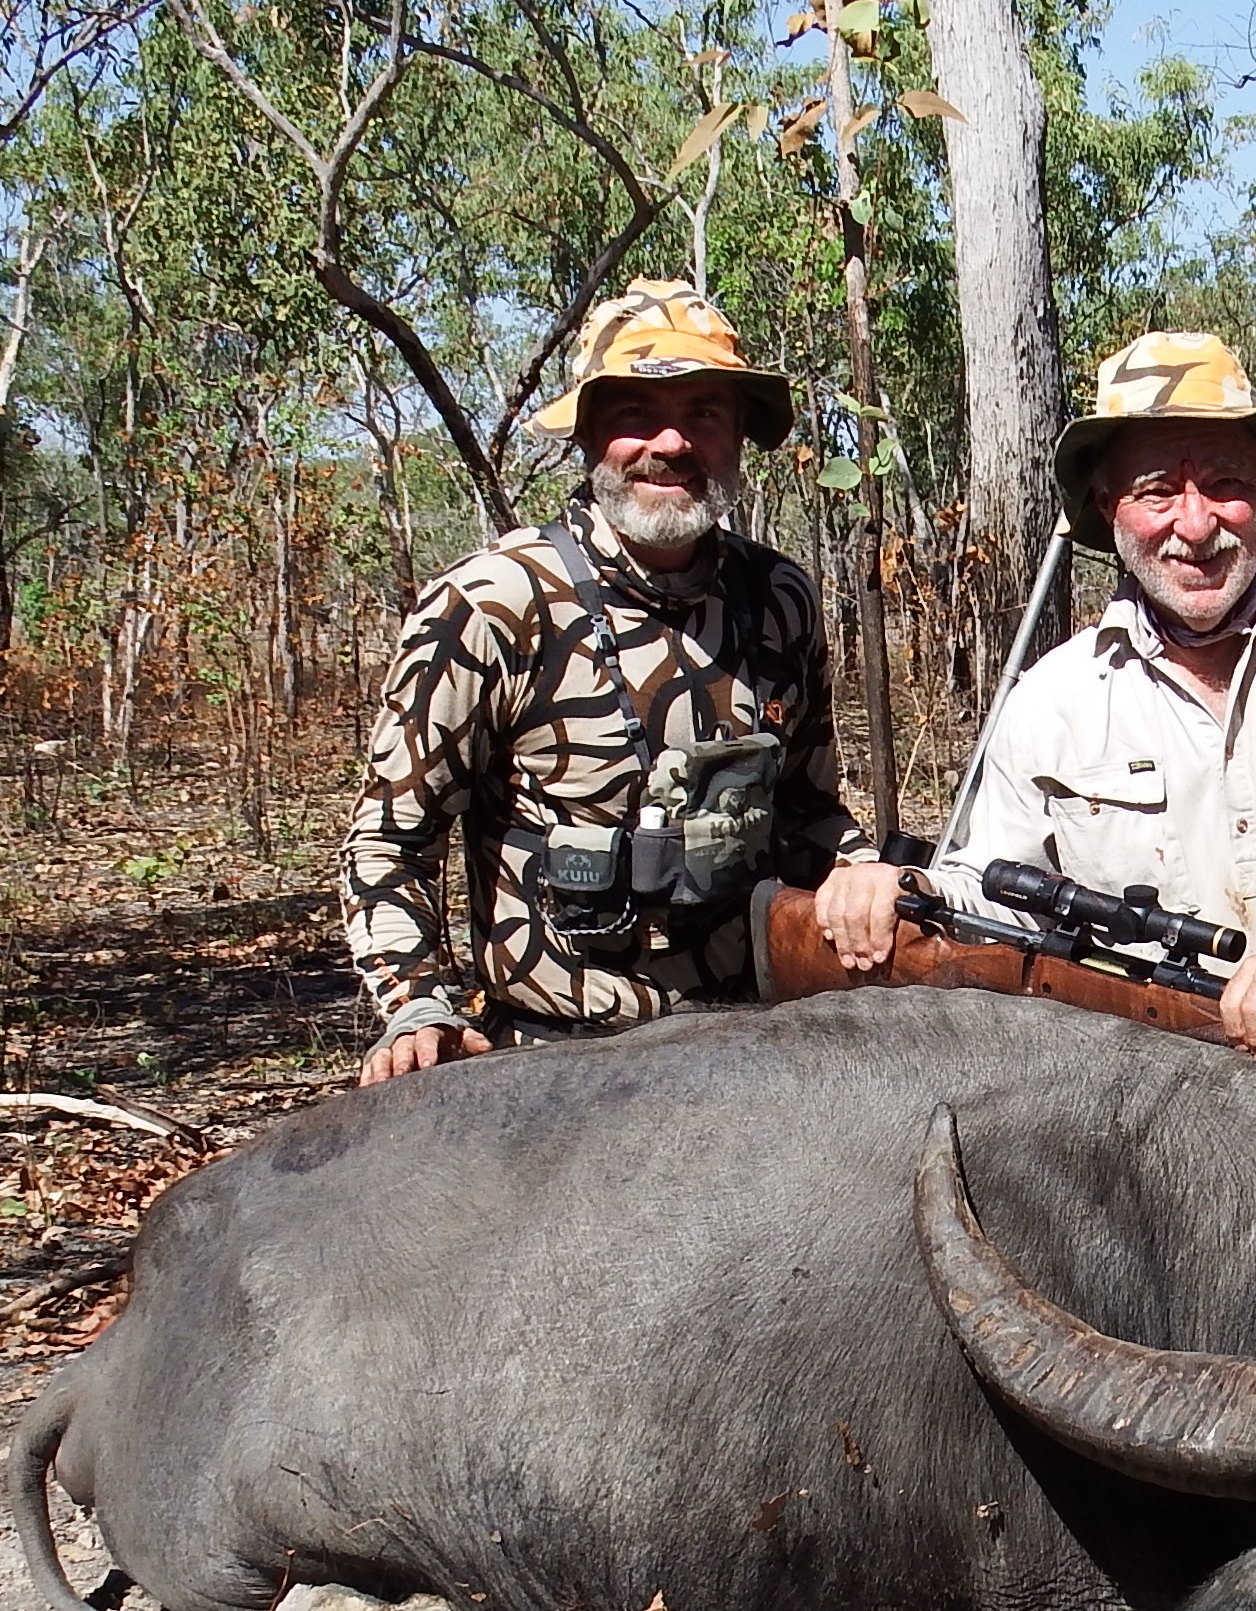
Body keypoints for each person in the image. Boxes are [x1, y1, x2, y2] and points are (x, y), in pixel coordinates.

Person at [817, 330, 1256, 1151]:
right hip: (1183, 1055)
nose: (1196, 524)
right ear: (1106, 506)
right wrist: (910, 889)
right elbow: (994, 884)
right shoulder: (1053, 696)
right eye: (1158, 491)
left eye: (1225, 483)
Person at [343, 279, 876, 1083]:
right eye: (634, 412)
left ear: (738, 435)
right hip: (555, 1065)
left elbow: (811, 811)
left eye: (705, 412)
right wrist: (419, 1004)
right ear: (589, 433)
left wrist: (862, 873)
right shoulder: (496, 602)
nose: (670, 441)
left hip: (755, 1054)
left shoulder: (780, 599)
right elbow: (389, 839)